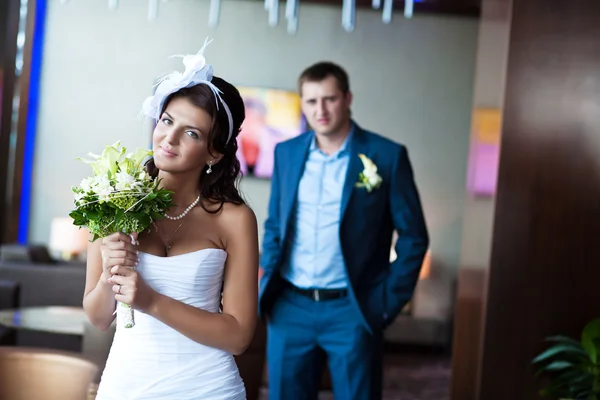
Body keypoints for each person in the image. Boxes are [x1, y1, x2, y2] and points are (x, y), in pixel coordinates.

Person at [83, 42, 259, 400]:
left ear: (214, 152)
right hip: (126, 386)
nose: (169, 138)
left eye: (191, 133)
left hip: (210, 388)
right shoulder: (112, 200)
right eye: (166, 121)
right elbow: (99, 318)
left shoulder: (235, 219)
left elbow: (239, 336)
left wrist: (150, 301)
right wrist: (107, 275)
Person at [259, 61, 429, 400]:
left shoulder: (386, 156)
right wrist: (267, 282)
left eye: (330, 99)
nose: (320, 110)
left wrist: (386, 301)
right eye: (311, 101)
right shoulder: (286, 153)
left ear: (348, 98)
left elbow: (414, 237)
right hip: (290, 307)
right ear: (302, 103)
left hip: (352, 309)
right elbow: (276, 224)